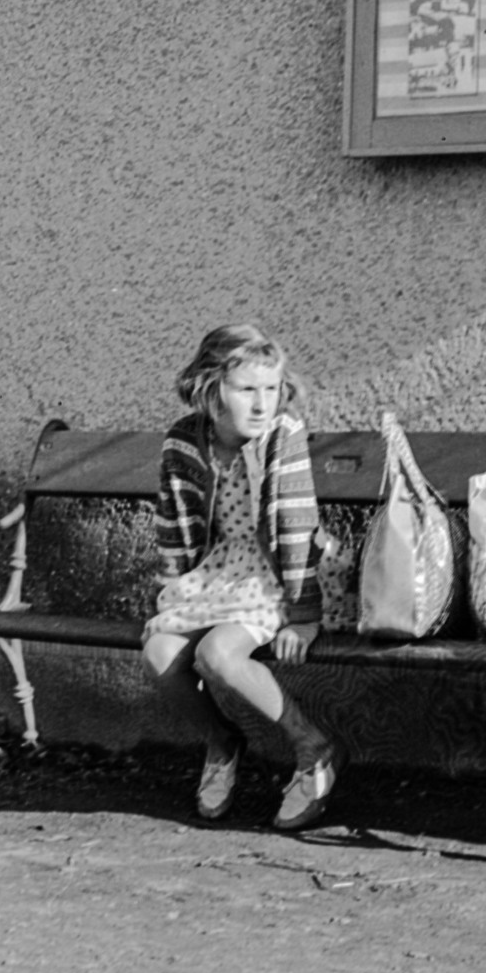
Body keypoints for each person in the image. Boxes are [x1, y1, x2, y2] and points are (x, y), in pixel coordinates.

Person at [141, 324, 340, 829]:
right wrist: (171, 597)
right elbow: (174, 524)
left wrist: (303, 617)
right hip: (215, 578)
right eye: (246, 390)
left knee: (217, 654)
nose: (261, 404)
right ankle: (222, 744)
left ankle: (312, 748)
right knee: (160, 651)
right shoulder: (184, 442)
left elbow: (297, 524)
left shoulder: (283, 436)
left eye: (270, 389)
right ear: (211, 391)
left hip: (278, 577)